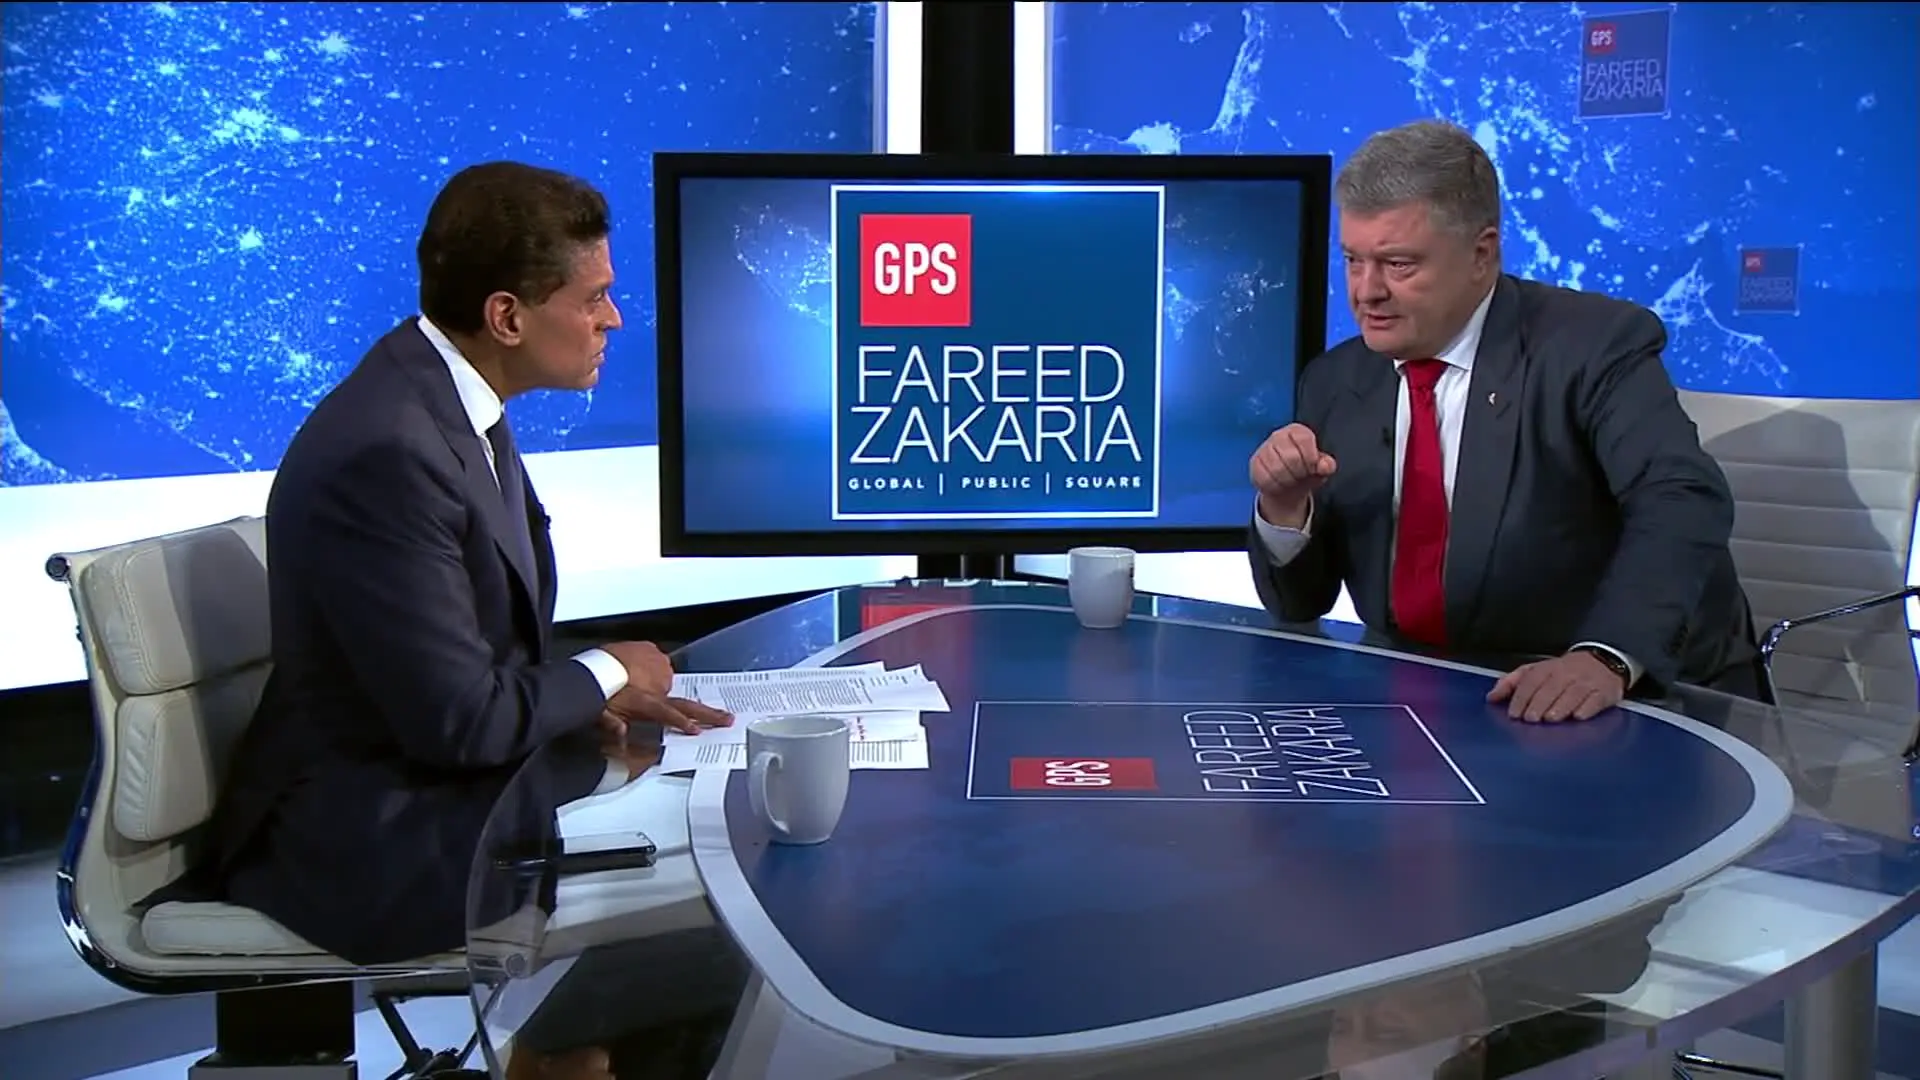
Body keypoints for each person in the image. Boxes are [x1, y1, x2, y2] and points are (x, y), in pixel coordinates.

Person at [154, 161, 730, 967]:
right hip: (376, 842)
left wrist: (579, 698)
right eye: (593, 297)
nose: (615, 319)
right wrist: (605, 670)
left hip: (441, 783)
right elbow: (462, 721)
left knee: (708, 811)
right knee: (722, 867)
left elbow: (469, 658)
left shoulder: (447, 399)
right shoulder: (388, 451)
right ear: (507, 317)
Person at [1247, 119, 1763, 720]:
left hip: (1629, 699)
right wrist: (1285, 509)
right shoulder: (1336, 381)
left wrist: (1605, 657)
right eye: (1353, 261)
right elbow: (1300, 605)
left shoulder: (1592, 347)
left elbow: (1681, 497)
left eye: (1398, 264)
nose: (1367, 292)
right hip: (1431, 701)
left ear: (1482, 253)